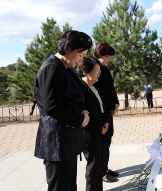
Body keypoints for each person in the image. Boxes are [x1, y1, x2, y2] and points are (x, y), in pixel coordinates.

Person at [34, 30, 92, 191]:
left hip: (66, 140)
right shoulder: (52, 68)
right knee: (60, 186)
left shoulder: (63, 68)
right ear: (68, 48)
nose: (81, 60)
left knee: (68, 185)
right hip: (57, 142)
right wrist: (80, 119)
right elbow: (51, 107)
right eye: (81, 54)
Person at [77, 56, 109, 191]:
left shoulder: (94, 86)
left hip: (100, 130)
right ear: (85, 71)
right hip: (90, 133)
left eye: (99, 72)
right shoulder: (80, 89)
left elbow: (103, 106)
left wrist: (106, 121)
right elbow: (83, 116)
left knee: (98, 166)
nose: (98, 75)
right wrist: (98, 130)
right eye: (96, 72)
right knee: (93, 167)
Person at [93, 43, 120, 182]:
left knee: (107, 140)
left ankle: (105, 167)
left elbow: (111, 90)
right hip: (99, 113)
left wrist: (116, 103)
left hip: (108, 112)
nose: (109, 59)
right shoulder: (92, 68)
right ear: (98, 54)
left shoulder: (106, 70)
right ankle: (100, 172)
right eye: (107, 56)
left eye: (110, 57)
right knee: (101, 142)